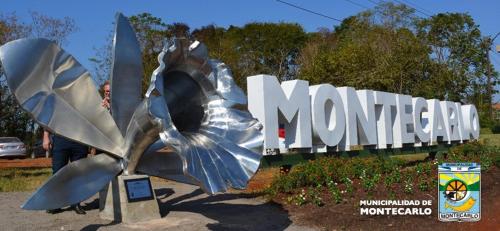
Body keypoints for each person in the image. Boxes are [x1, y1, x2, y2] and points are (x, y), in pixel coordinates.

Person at [43, 130, 88, 214]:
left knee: (78, 174)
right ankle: (55, 204)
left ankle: (76, 203)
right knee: (57, 173)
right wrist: (46, 137)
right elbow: (50, 118)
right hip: (61, 139)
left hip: (81, 140)